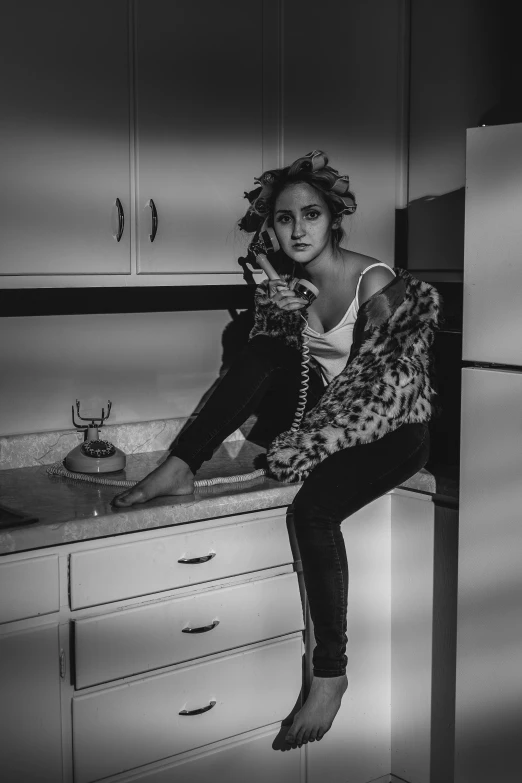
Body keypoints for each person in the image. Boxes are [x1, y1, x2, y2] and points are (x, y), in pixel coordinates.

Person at [112, 150, 442, 748]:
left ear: (332, 220)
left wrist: (305, 447)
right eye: (284, 219)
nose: (297, 230)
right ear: (270, 228)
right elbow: (274, 372)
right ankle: (180, 466)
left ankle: (331, 675)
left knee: (312, 509)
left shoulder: (377, 283)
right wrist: (275, 299)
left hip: (396, 429)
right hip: (333, 425)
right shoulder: (289, 284)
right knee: (262, 351)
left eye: (310, 215)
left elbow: (383, 394)